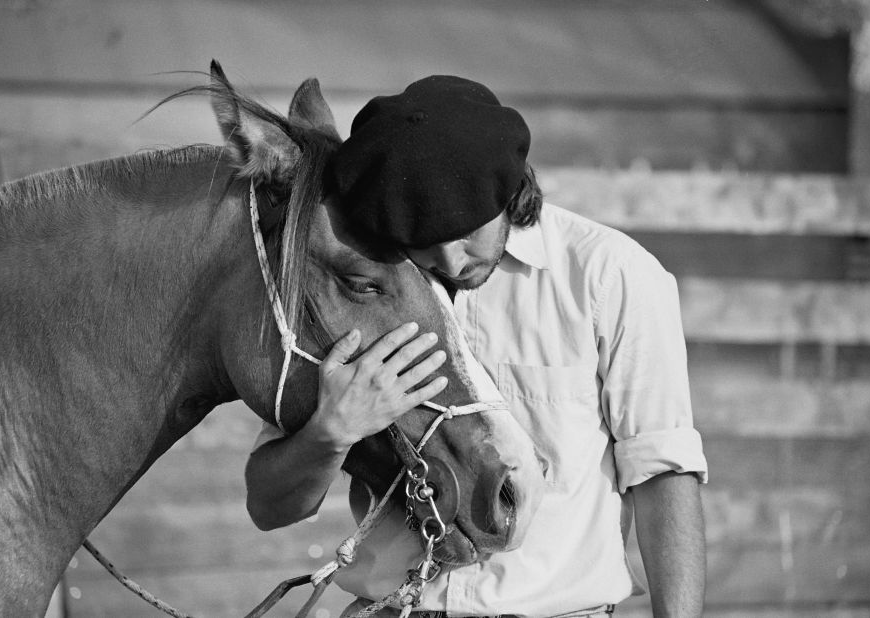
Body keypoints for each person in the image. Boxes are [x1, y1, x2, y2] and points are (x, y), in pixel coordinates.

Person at [246, 75, 709, 618]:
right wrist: (333, 431)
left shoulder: (612, 276)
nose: (451, 261)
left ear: (513, 187)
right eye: (424, 240)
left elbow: (661, 474)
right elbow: (268, 504)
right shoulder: (366, 289)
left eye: (467, 230)